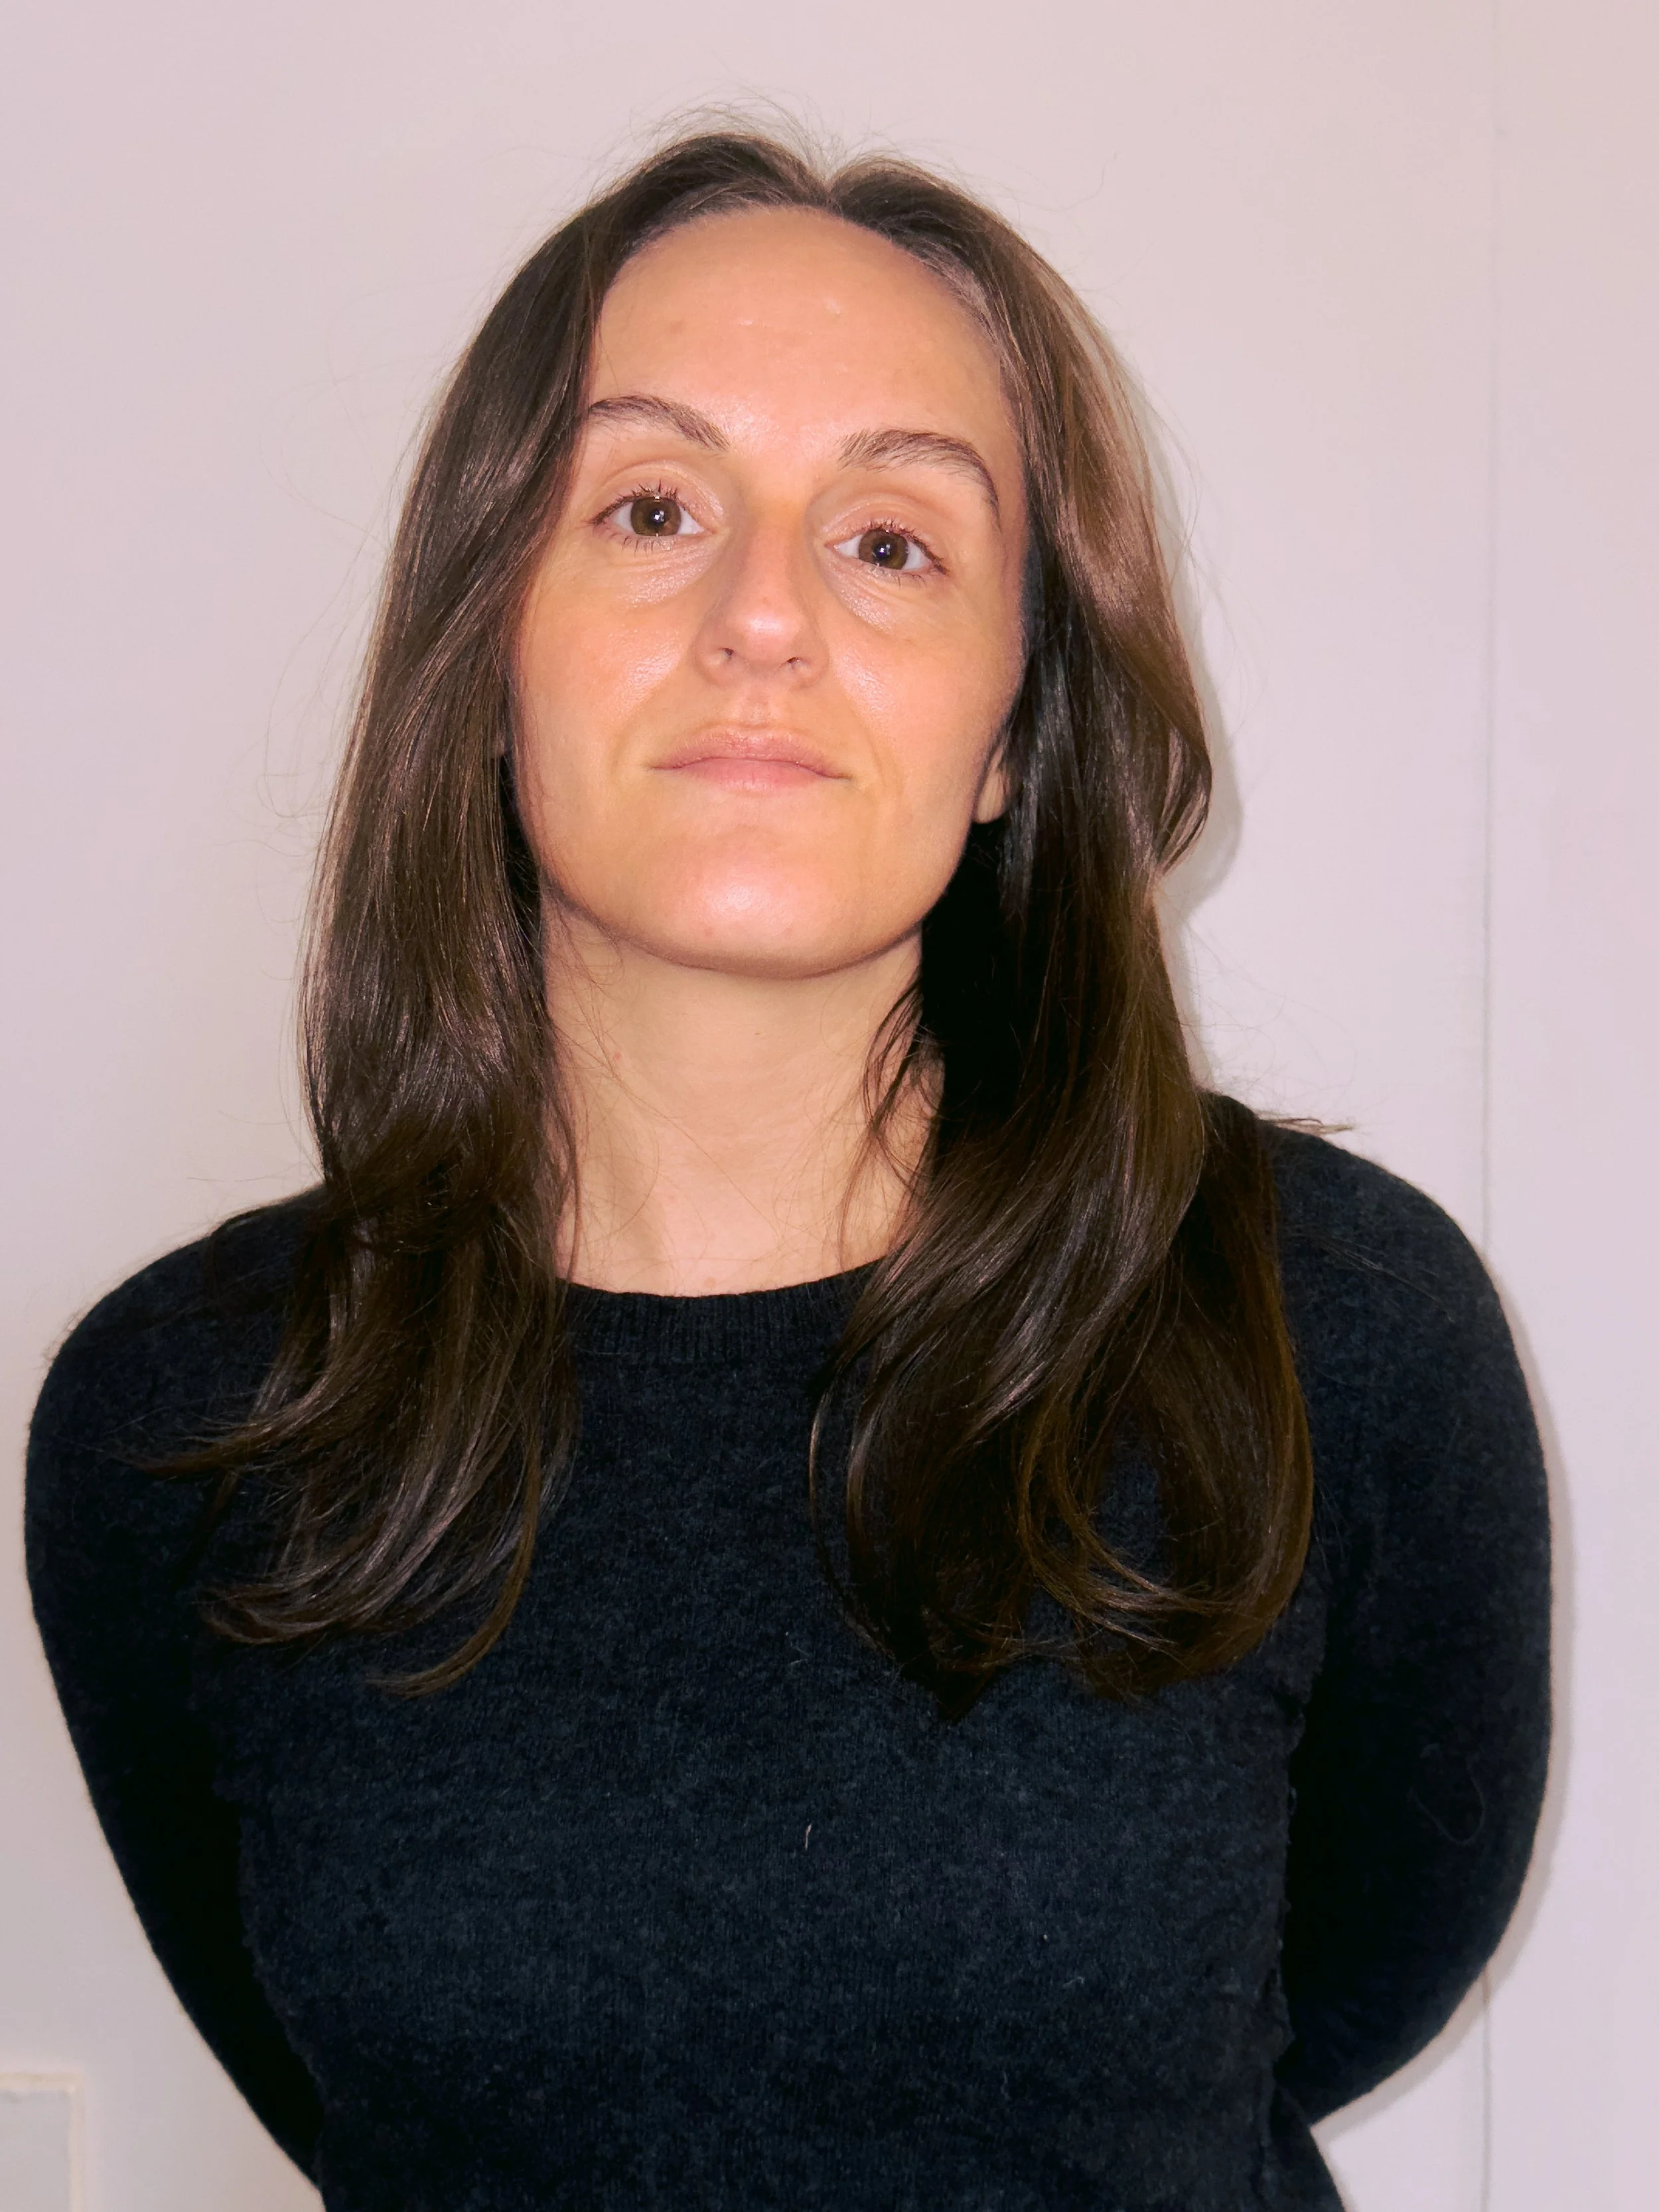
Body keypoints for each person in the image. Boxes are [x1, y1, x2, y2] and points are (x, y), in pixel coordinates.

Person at [25, 129, 1550, 2211]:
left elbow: (1329, 1986)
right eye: (650, 508)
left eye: (894, 541)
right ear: (488, 650)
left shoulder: (1329, 1334)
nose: (762, 617)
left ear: (1015, 724)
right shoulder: (188, 1419)